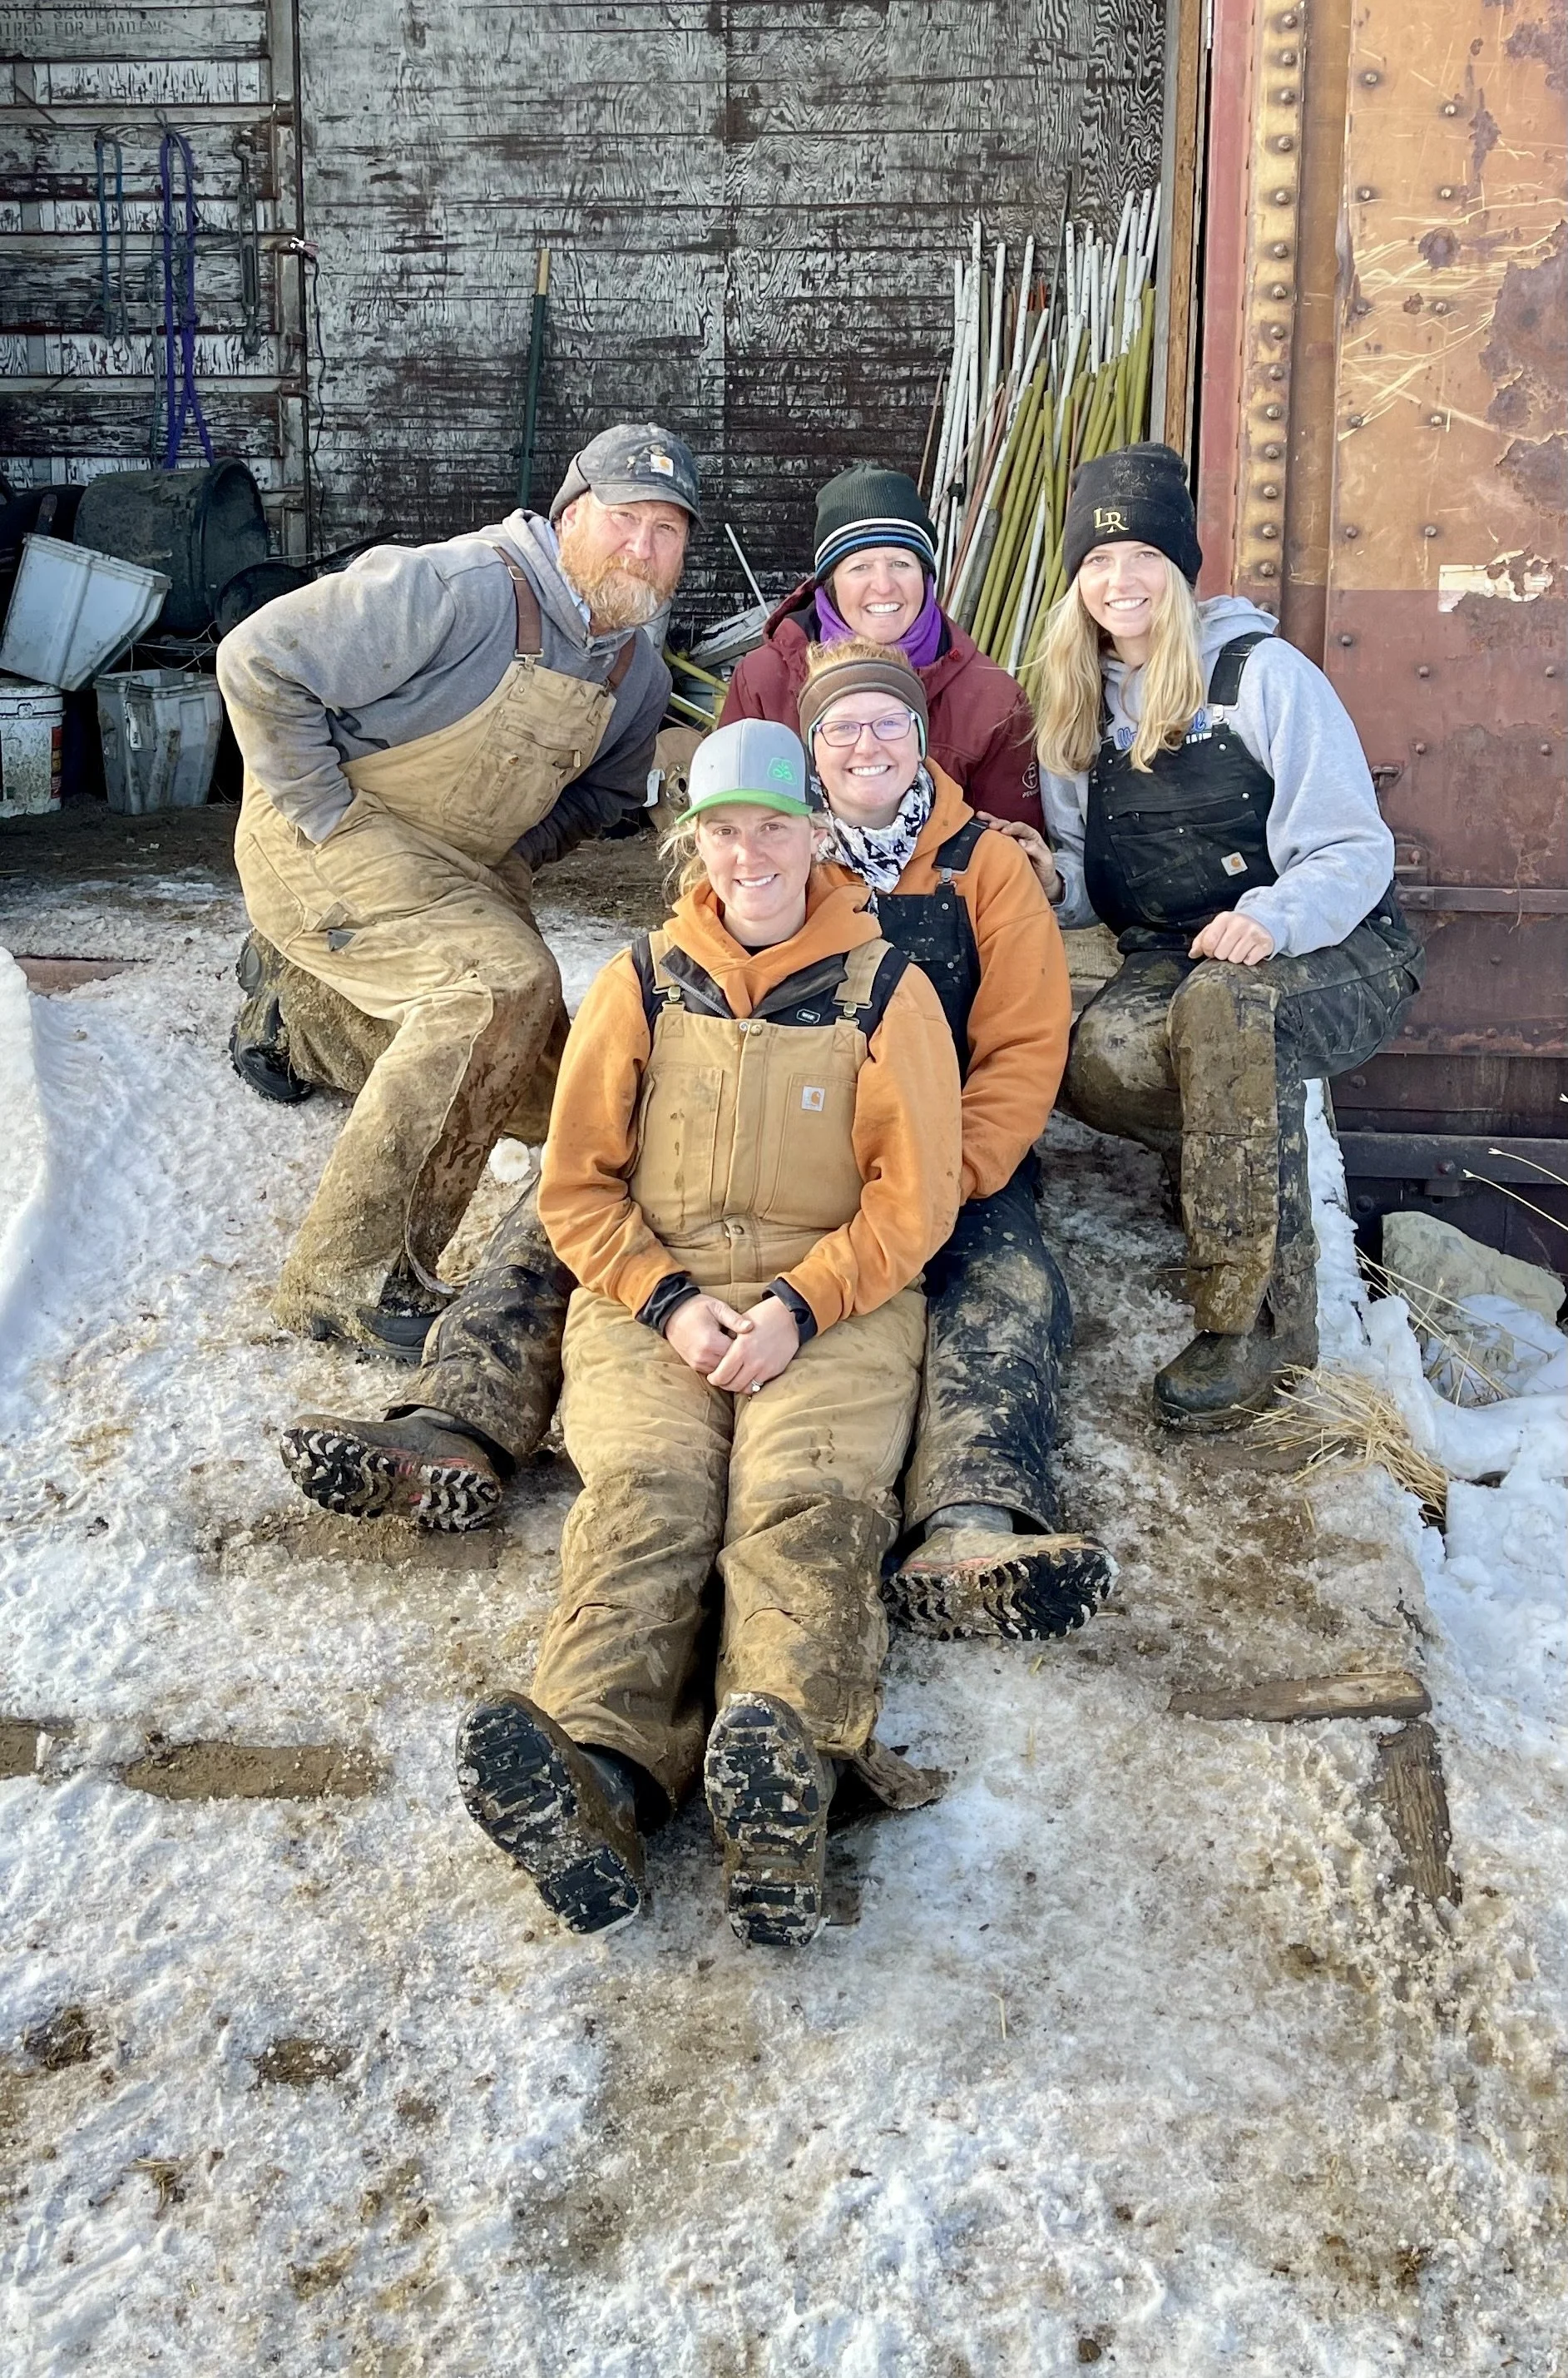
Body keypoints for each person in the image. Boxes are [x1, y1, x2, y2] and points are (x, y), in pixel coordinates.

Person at [279, 642, 1115, 1646]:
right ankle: (453, 1426)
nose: (867, 744)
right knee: (553, 1218)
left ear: (922, 738)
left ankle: (970, 1521)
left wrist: (939, 1176)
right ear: (808, 760)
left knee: (1003, 1284)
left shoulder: (984, 862)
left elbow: (1025, 1046)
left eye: (889, 723)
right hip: (759, 1143)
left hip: (937, 1153)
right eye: (841, 727)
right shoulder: (770, 847)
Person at [455, 718, 962, 1945]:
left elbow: (917, 1197)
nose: (749, 856)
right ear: (694, 848)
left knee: (806, 1498)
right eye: (724, 832)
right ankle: (601, 1780)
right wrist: (669, 1301)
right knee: (648, 1495)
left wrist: (800, 1305)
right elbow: (575, 1185)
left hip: (834, 1304)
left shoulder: (886, 989)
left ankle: (787, 1785)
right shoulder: (637, 981)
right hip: (656, 1302)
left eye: (772, 828)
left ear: (814, 836)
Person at [217, 423, 699, 1357]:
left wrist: (517, 855)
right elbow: (255, 660)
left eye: (668, 530)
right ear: (569, 515)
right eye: (623, 518)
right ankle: (346, 1276)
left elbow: (603, 791)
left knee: (558, 1090)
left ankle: (301, 1014)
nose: (643, 546)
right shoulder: (457, 586)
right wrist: (321, 811)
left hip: (458, 866)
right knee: (495, 986)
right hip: (327, 831)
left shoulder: (635, 670)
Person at [1026, 442, 1423, 1429]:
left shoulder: (1260, 674)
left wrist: (1272, 916)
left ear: (1180, 569)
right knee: (1100, 1057)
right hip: (1175, 951)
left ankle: (1260, 1320)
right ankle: (1218, 1151)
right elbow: (1086, 877)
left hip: (1335, 948)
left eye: (1143, 558)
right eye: (1097, 563)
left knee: (1228, 1011)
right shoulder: (1077, 700)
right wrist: (1045, 878)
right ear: (1076, 583)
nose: (1120, 581)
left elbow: (1349, 845)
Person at [720, 463, 1041, 826]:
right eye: (859, 567)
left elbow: (1010, 854)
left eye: (900, 563)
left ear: (926, 576)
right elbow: (731, 827)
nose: (884, 586)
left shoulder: (993, 701)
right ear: (830, 584)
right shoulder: (765, 681)